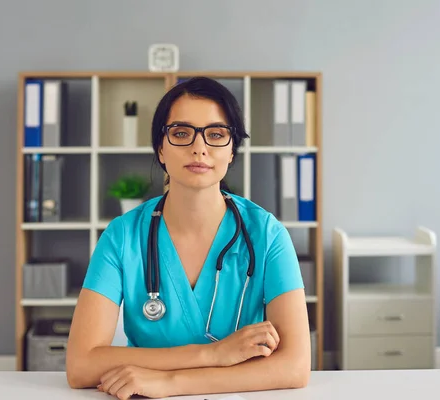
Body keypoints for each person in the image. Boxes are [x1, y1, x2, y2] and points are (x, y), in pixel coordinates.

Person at [66, 77, 311, 399]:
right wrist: (212, 355)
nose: (200, 147)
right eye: (181, 133)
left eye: (216, 134)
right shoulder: (122, 236)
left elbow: (294, 367)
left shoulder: (267, 234)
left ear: (232, 152)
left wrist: (170, 383)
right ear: (160, 149)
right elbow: (81, 366)